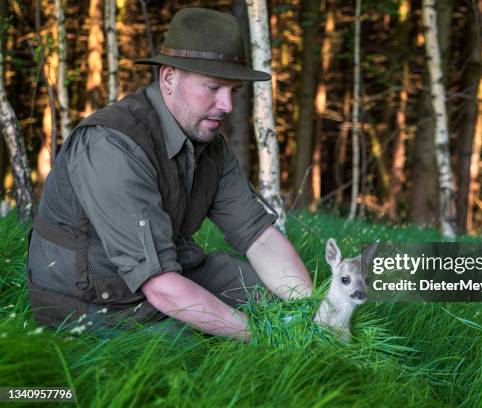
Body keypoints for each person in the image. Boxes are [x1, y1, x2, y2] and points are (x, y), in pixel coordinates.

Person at [25, 8, 312, 342]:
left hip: (171, 272)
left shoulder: (211, 148)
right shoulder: (113, 145)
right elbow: (160, 286)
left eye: (233, 91)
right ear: (169, 77)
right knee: (193, 352)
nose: (228, 106)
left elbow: (259, 237)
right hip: (91, 300)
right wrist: (264, 336)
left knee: (277, 299)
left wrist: (314, 312)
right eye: (215, 87)